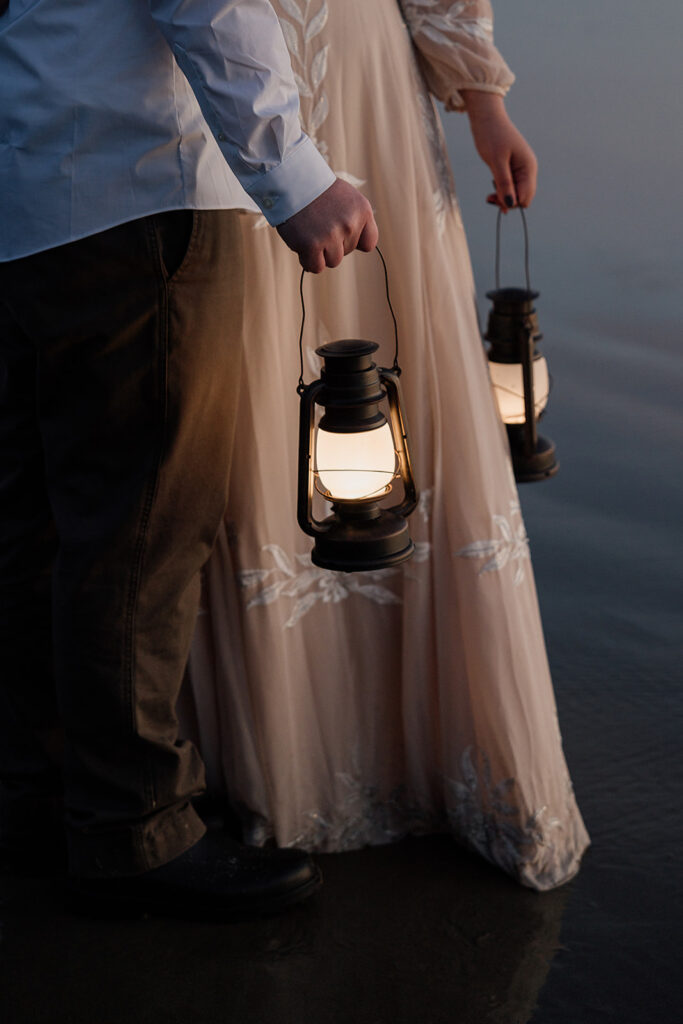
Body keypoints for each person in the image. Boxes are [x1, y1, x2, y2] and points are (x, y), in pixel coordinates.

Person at [183, 0, 590, 891]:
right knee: (258, 366)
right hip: (222, 71)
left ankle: (421, 749)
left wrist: (483, 100)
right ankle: (277, 756)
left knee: (388, 349)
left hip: (370, 78)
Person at [0, 0, 378, 918]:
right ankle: (134, 827)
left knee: (41, 522)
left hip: (39, 185)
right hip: (141, 187)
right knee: (143, 529)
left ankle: (41, 799)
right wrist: (292, 173)